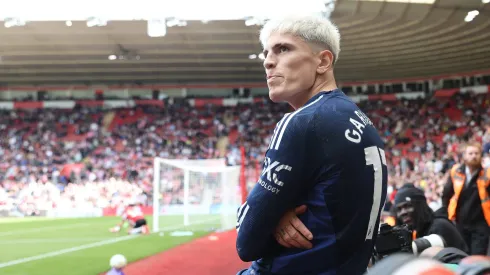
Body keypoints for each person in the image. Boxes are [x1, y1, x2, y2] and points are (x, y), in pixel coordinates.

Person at [236, 14, 387, 275]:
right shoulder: (362, 120)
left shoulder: (301, 122)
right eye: (266, 53)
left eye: (283, 49)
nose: (269, 62)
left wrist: (268, 217)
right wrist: (275, 214)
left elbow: (246, 242)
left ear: (323, 61)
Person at [442, 142, 490, 255]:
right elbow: (446, 194)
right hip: (460, 223)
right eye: (471, 153)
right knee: (462, 255)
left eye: (476, 153)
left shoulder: (487, 175)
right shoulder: (456, 172)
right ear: (464, 156)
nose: (474, 156)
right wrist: (445, 214)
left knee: (477, 258)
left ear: (481, 156)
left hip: (480, 225)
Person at [394, 185, 468, 253]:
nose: (403, 213)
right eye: (399, 209)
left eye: (407, 206)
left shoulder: (439, 227)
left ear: (420, 206)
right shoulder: (418, 231)